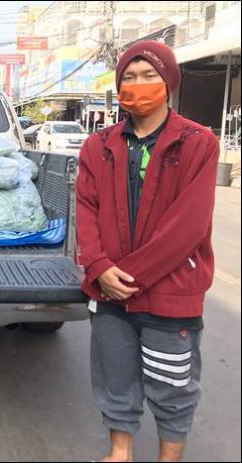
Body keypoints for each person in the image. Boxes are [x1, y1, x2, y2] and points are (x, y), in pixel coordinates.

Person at [76, 41, 219, 462]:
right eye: (129, 77)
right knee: (115, 377)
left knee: (172, 384)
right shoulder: (98, 146)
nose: (138, 85)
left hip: (169, 291)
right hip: (109, 289)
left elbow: (188, 226)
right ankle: (120, 452)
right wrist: (100, 267)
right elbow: (86, 209)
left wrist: (127, 276)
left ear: (169, 83)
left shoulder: (197, 143)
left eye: (149, 75)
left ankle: (167, 458)